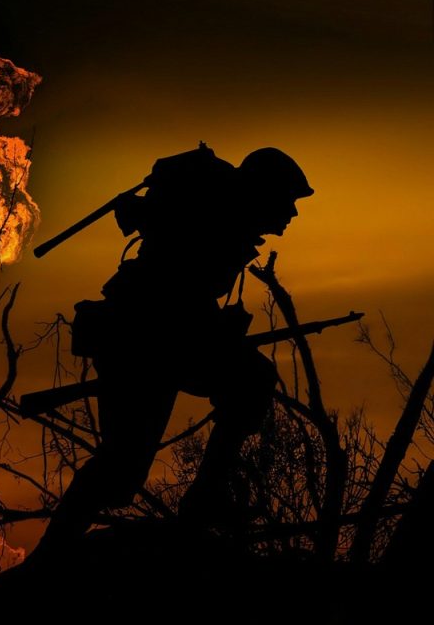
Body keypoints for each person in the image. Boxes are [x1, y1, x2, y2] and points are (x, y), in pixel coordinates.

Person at [31, 143, 313, 558]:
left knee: (248, 383)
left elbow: (186, 295)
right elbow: (174, 291)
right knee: (120, 471)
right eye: (287, 200)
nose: (292, 213)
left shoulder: (224, 221)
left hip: (163, 340)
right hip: (142, 341)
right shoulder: (215, 219)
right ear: (262, 191)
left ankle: (201, 505)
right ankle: (53, 556)